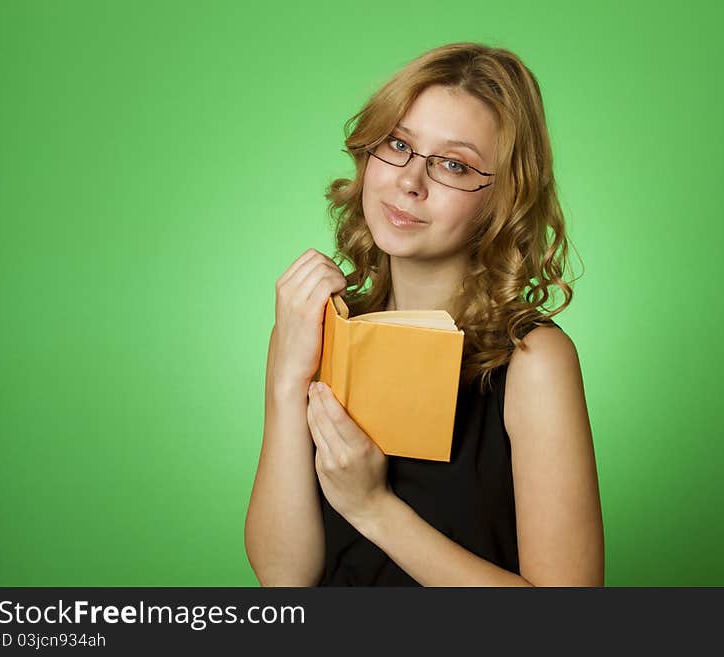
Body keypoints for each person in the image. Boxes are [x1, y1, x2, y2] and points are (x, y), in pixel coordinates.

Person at [244, 42, 604, 586]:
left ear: (503, 198)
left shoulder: (533, 361)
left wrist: (373, 507)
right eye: (398, 144)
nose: (410, 182)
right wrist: (286, 377)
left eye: (453, 164)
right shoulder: (316, 329)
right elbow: (283, 580)